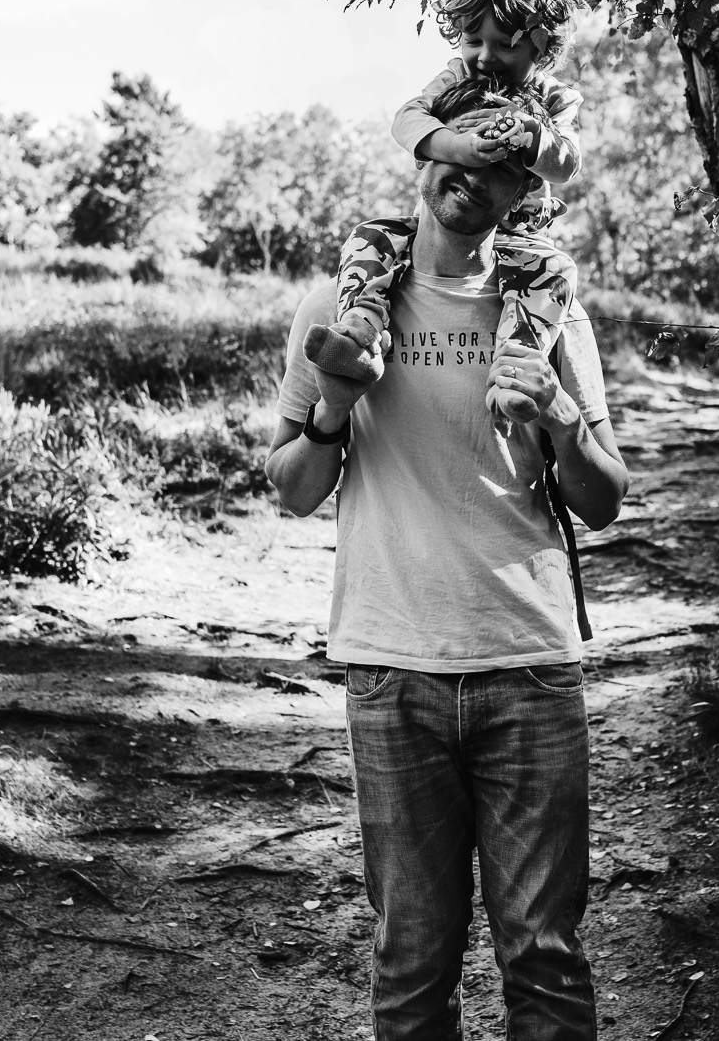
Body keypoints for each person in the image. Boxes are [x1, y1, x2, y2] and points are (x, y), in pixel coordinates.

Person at [266, 148, 629, 1041]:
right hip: (393, 669)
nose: (477, 176)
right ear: (426, 158)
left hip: (530, 666)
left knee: (544, 954)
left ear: (524, 190)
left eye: (504, 166)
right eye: (462, 154)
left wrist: (559, 414)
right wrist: (332, 409)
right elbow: (292, 486)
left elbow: (606, 498)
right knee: (412, 959)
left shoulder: (549, 312)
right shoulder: (340, 309)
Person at [304, 0, 585, 433]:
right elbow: (406, 120)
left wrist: (529, 134)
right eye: (473, 40)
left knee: (556, 273)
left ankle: (513, 378)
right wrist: (464, 148)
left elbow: (567, 163)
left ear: (543, 47)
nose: (486, 56)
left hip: (518, 239)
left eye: (506, 45)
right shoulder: (454, 79)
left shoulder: (555, 99)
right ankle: (360, 332)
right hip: (429, 229)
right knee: (368, 239)